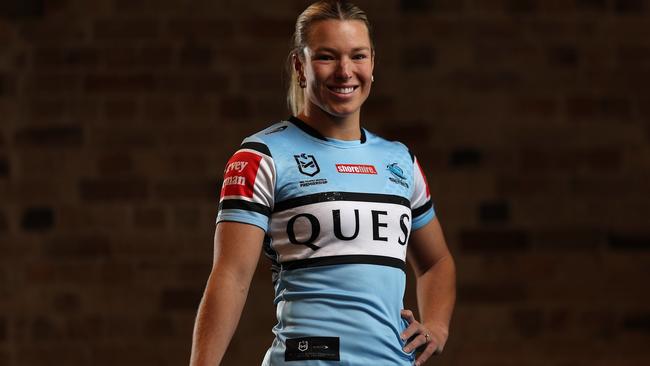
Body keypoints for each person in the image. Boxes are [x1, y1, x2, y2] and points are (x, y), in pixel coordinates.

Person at [189, 1, 456, 365]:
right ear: (300, 65)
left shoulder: (400, 162)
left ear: (373, 64)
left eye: (357, 56)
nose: (345, 71)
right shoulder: (262, 156)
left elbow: (436, 261)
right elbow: (231, 277)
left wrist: (437, 328)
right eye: (327, 57)